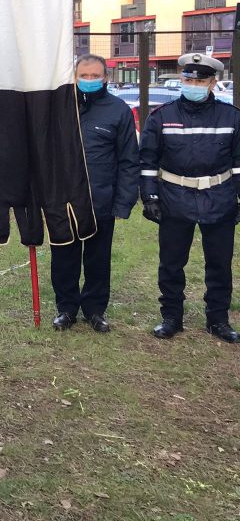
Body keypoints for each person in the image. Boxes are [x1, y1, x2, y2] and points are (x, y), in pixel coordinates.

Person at [139, 52, 240, 343]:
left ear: (212, 83)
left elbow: (238, 162)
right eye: (187, 78)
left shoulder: (231, 117)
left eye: (200, 80)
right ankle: (171, 317)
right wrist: (150, 197)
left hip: (219, 196)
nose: (192, 83)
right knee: (171, 262)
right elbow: (147, 160)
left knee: (219, 263)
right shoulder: (162, 116)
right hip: (174, 196)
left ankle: (218, 320)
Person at [50, 54, 139, 332]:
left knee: (98, 258)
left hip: (101, 199)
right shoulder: (59, 108)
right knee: (64, 257)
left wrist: (123, 203)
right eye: (83, 76)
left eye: (95, 76)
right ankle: (66, 309)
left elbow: (128, 160)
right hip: (64, 201)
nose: (89, 81)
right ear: (74, 78)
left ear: (105, 78)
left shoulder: (119, 110)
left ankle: (95, 310)